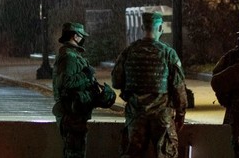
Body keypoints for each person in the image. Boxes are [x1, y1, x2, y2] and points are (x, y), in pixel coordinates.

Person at [112, 12, 186, 158]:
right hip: (162, 116)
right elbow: (178, 88)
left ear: (142, 27)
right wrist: (181, 114)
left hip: (136, 114)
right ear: (160, 29)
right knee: (166, 154)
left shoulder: (129, 52)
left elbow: (116, 81)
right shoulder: (168, 54)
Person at [52, 22, 113, 158]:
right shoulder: (69, 57)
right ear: (75, 36)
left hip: (75, 114)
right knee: (74, 153)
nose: (83, 39)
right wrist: (85, 74)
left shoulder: (71, 55)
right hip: (72, 115)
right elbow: (67, 83)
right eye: (81, 36)